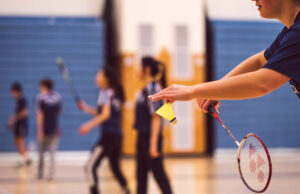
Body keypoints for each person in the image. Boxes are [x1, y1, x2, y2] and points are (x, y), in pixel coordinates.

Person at [149, 0, 300, 111]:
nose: (253, 0)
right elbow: (259, 60)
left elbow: (262, 83)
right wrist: (214, 92)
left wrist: (192, 91)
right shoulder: (289, 32)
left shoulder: (297, 34)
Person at [77, 67, 130, 194]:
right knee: (115, 167)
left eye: (99, 74)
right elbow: (101, 112)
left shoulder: (107, 93)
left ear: (106, 79)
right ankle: (127, 190)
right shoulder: (111, 92)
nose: (96, 77)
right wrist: (86, 108)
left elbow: (105, 115)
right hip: (117, 136)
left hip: (109, 136)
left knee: (90, 167)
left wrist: (87, 126)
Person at [134, 57, 172, 194]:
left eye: (139, 66)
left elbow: (156, 117)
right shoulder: (145, 89)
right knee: (141, 176)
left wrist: (153, 144)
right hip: (142, 138)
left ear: (147, 69)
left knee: (159, 175)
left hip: (150, 139)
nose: (136, 69)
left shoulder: (153, 88)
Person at [36, 78, 62, 181]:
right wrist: (57, 126)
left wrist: (40, 129)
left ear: (44, 86)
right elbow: (58, 113)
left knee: (41, 153)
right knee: (52, 153)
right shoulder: (57, 97)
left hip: (45, 130)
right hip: (54, 129)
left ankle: (40, 173)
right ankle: (51, 175)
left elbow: (40, 115)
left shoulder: (40, 98)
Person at [9, 82, 31, 167]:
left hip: (22, 124)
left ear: (16, 91)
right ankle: (26, 159)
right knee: (16, 141)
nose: (12, 94)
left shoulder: (22, 100)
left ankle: (22, 160)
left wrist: (14, 118)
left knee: (21, 141)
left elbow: (25, 112)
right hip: (18, 124)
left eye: (13, 92)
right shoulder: (18, 101)